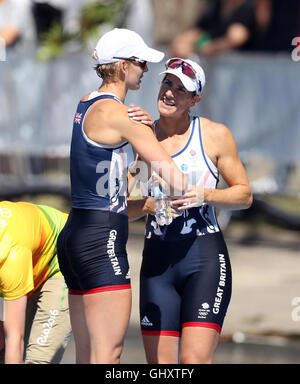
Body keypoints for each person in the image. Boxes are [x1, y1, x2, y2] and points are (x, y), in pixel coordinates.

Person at [56, 28, 188, 364]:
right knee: (109, 354)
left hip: (76, 234)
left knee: (87, 355)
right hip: (102, 239)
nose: (145, 70)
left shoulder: (87, 103)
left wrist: (139, 145)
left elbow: (117, 183)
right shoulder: (121, 116)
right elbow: (174, 179)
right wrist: (148, 133)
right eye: (141, 63)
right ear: (121, 67)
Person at [127, 57, 253, 364]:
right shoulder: (141, 136)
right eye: (167, 83)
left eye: (181, 89)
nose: (169, 93)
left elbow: (245, 194)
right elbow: (121, 207)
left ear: (195, 99)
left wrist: (205, 194)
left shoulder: (214, 135)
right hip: (158, 262)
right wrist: (150, 205)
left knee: (194, 361)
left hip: (204, 258)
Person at [0, 201, 71, 364]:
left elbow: (14, 338)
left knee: (38, 359)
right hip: (30, 252)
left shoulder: (11, 257)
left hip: (61, 257)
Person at [168, 0, 257, 58]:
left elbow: (237, 38)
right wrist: (182, 42)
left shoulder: (249, 7)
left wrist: (209, 48)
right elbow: (201, 30)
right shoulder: (216, 6)